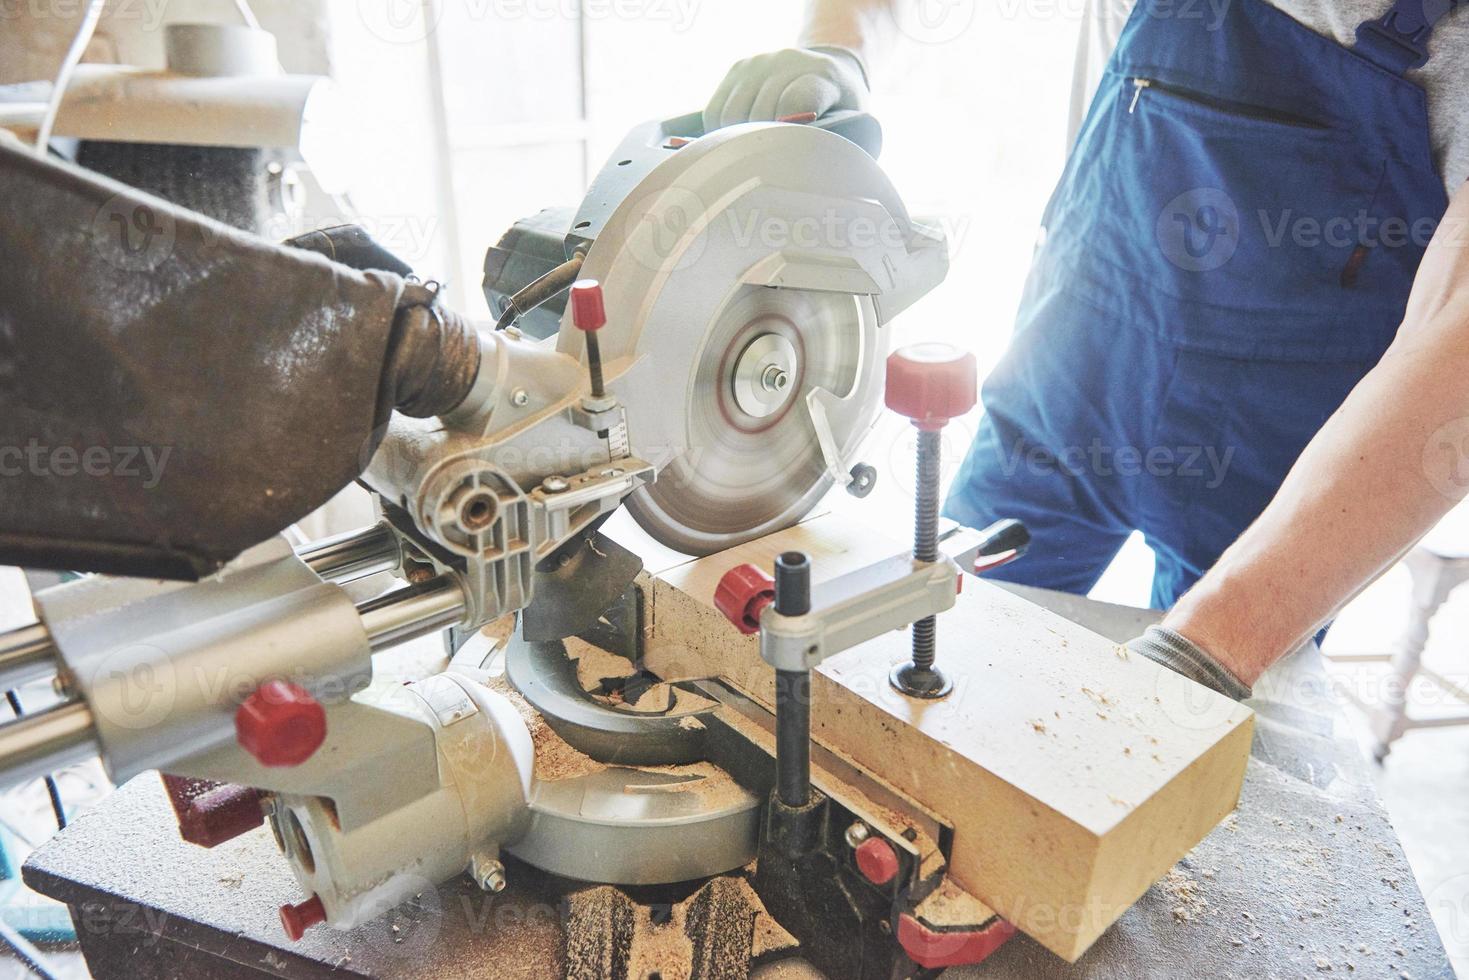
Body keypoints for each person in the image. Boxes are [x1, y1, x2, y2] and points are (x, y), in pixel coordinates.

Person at [705, 0, 1469, 698]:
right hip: (1069, 375)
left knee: (1193, 770)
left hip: (1293, 464)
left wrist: (1210, 653)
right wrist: (837, 51)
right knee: (932, 666)